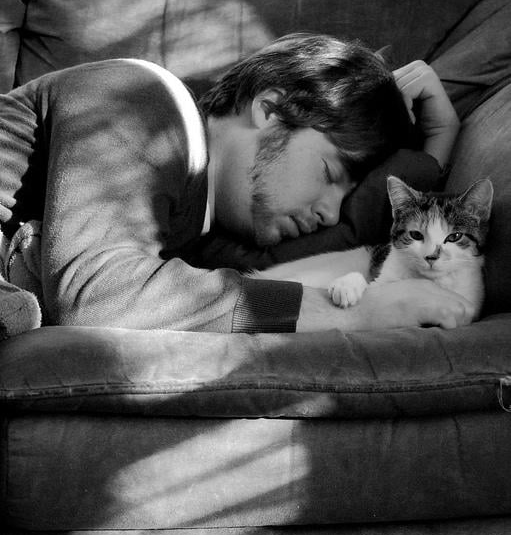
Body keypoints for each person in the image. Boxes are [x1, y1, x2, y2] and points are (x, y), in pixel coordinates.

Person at [0, 33, 471, 338]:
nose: (330, 212)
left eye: (344, 200)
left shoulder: (201, 226)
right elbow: (97, 294)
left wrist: (436, 147)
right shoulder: (143, 99)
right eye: (330, 173)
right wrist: (354, 314)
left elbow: (287, 270)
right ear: (270, 110)